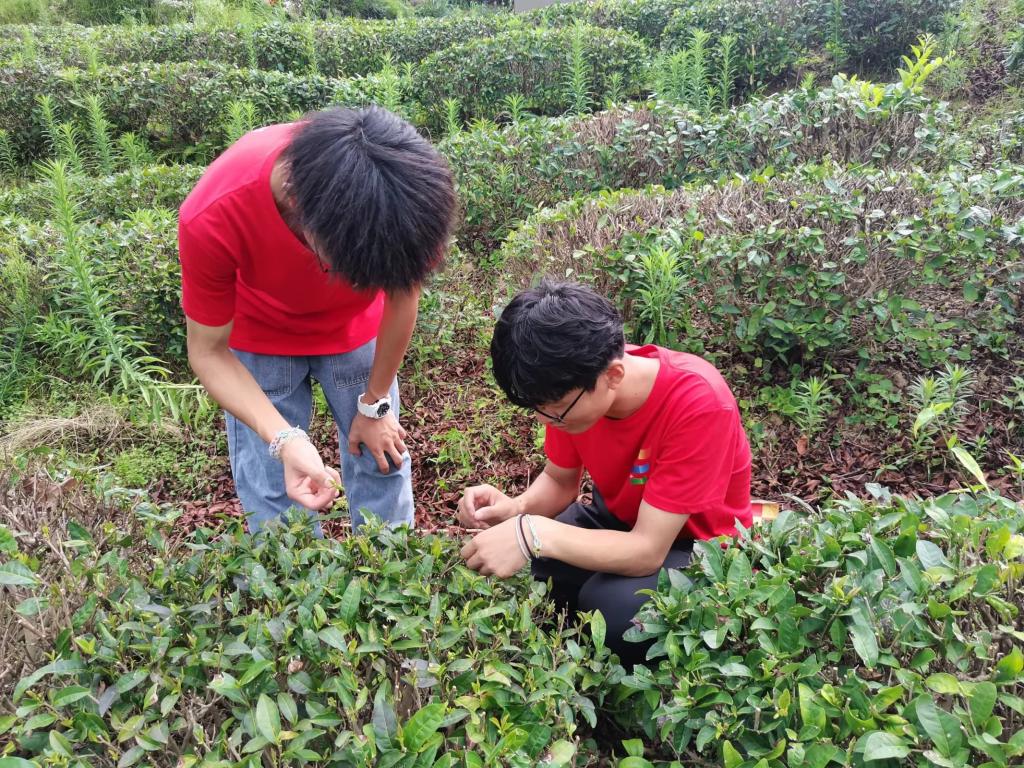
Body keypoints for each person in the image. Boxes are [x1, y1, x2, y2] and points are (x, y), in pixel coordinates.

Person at [179, 106, 456, 534]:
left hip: (354, 334)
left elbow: (403, 294)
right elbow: (208, 352)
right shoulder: (214, 213)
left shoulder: (400, 196)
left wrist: (376, 402)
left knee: (383, 457)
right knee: (275, 485)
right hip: (259, 337)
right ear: (296, 204)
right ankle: (292, 588)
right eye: (350, 269)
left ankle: (392, 575)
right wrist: (283, 438)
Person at [457, 281, 752, 666]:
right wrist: (515, 509)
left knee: (610, 610)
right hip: (622, 519)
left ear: (613, 375)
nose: (548, 421)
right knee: (542, 566)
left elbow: (647, 551)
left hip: (698, 547)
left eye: (556, 410)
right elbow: (561, 481)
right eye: (539, 410)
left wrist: (533, 533)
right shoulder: (573, 387)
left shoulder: (698, 403)